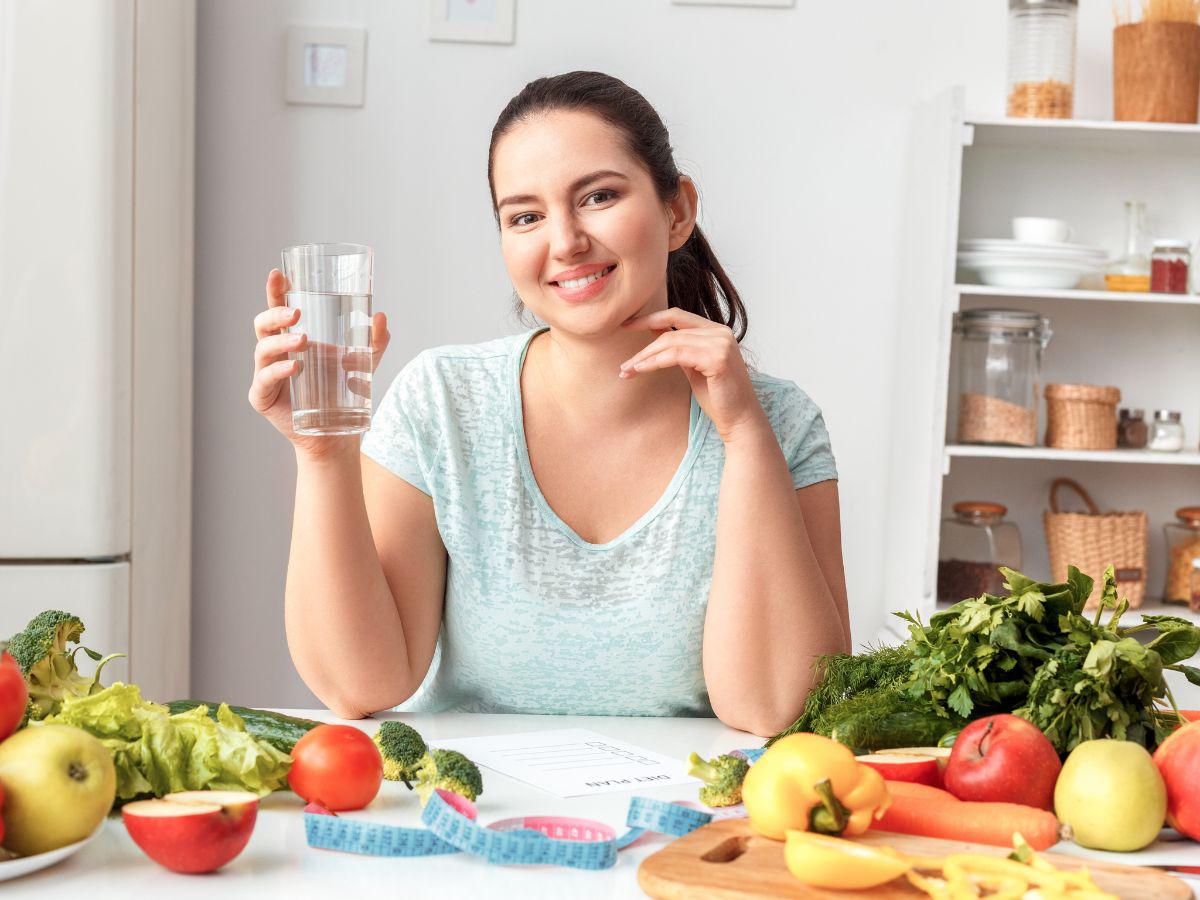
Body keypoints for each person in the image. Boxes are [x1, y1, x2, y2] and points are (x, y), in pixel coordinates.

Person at [249, 71, 849, 737]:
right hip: (467, 816)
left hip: (685, 824)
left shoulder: (780, 424)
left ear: (677, 210)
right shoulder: (442, 403)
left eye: (598, 196)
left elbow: (777, 707)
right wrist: (324, 453)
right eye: (526, 216)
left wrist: (744, 436)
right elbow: (357, 686)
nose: (564, 242)